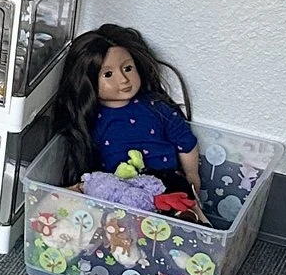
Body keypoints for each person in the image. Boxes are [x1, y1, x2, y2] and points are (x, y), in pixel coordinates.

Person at [54, 24, 205, 222]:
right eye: (108, 74)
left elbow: (185, 142)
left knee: (186, 210)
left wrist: (192, 175)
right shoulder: (90, 118)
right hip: (120, 187)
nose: (124, 79)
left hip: (167, 181)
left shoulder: (156, 107)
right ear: (87, 81)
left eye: (127, 68)